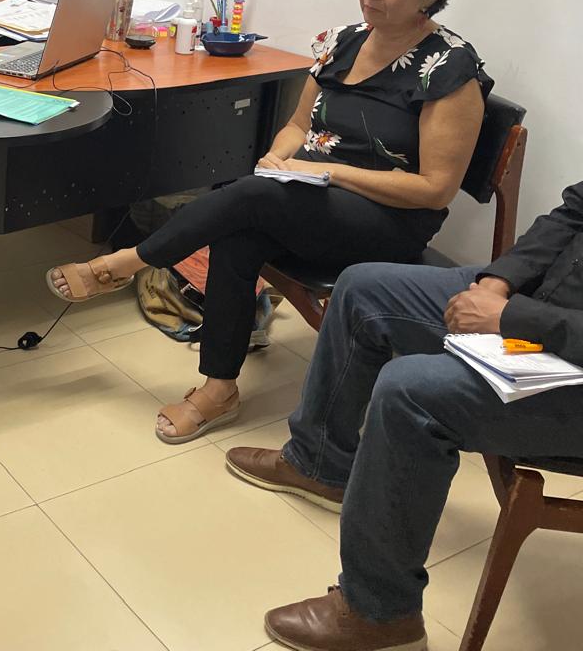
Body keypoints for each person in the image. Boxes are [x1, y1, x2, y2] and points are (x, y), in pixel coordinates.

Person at [48, 0, 492, 443]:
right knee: (240, 230)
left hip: (389, 222)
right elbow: (298, 125)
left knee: (252, 200)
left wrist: (321, 170)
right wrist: (279, 159)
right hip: (311, 200)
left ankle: (126, 263)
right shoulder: (344, 41)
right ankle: (219, 387)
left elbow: (435, 189)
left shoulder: (448, 68)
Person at [224, 180, 583, 651]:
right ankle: (319, 462)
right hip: (548, 301)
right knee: (361, 289)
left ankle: (381, 614)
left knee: (410, 392)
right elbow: (573, 212)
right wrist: (497, 283)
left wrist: (512, 319)